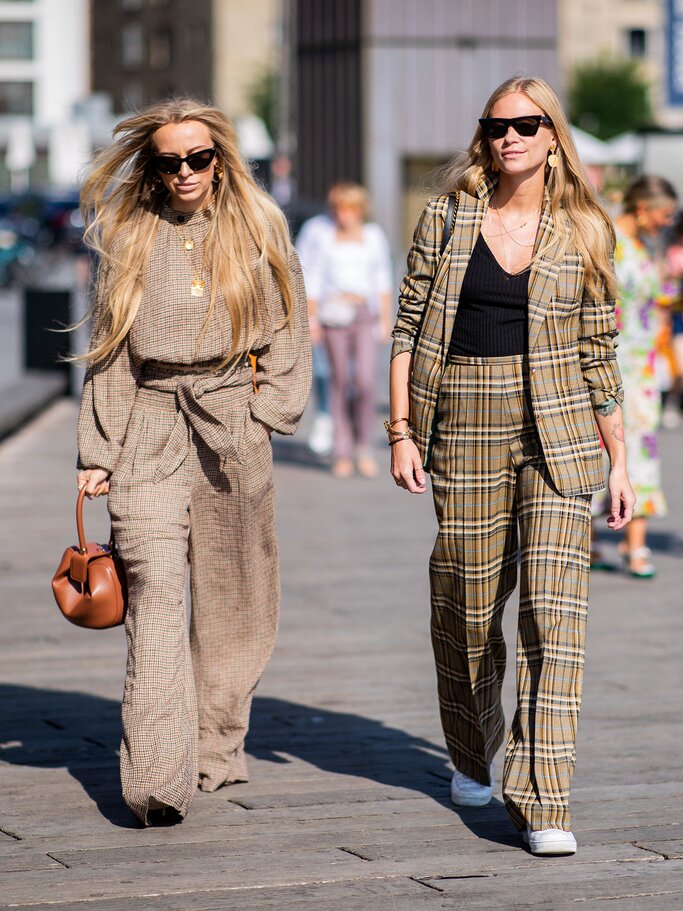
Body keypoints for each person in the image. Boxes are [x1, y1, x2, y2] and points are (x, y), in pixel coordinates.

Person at [389, 76, 634, 856]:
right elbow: (405, 328)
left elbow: (600, 351)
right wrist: (400, 431)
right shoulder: (447, 217)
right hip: (463, 420)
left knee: (553, 620)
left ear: (552, 136)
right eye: (496, 126)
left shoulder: (588, 230)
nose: (510, 138)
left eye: (527, 125)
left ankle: (542, 795)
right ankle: (471, 747)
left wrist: (619, 457)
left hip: (560, 433)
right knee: (465, 608)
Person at [75, 98, 311, 826]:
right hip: (146, 420)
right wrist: (96, 450)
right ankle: (157, 777)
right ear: (152, 164)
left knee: (234, 593)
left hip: (231, 419)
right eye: (170, 160)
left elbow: (289, 327)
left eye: (198, 158)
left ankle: (215, 742)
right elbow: (109, 353)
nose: (184, 172)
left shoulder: (258, 227)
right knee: (153, 590)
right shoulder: (125, 234)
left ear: (220, 159)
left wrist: (267, 414)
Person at [610, 176, 677, 577]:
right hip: (619, 363)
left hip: (643, 365)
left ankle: (628, 543)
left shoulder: (636, 246)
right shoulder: (612, 241)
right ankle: (632, 548)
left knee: (636, 449)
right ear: (642, 208)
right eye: (663, 214)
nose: (666, 222)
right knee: (622, 450)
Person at [302, 182, 393, 478]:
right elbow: (312, 278)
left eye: (350, 209)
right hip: (333, 315)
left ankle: (363, 446)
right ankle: (342, 451)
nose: (344, 215)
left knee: (365, 382)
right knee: (339, 381)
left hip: (364, 313)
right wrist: (312, 320)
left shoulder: (373, 236)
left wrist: (385, 318)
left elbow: (382, 277)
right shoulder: (324, 236)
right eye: (339, 209)